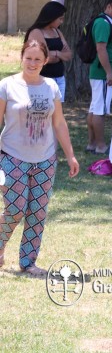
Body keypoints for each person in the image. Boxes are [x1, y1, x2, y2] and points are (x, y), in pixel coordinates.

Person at [0, 40, 80, 277]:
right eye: (28, 58)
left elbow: (59, 123)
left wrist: (70, 155)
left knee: (37, 212)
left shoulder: (51, 86)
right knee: (15, 209)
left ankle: (28, 262)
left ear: (45, 61)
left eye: (37, 59)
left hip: (45, 159)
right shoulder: (7, 86)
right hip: (12, 156)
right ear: (21, 58)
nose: (32, 63)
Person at [86, 0, 112, 155]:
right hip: (103, 75)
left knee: (95, 108)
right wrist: (109, 73)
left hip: (103, 74)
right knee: (100, 111)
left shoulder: (109, 22)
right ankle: (101, 145)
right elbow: (101, 49)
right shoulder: (103, 23)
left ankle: (92, 143)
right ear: (108, 7)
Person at [24, 1, 72, 101]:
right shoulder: (37, 32)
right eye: (60, 18)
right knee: (43, 108)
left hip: (59, 79)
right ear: (52, 17)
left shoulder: (57, 32)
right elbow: (45, 58)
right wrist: (59, 54)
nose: (62, 21)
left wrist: (57, 53)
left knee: (58, 109)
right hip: (43, 79)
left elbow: (68, 55)